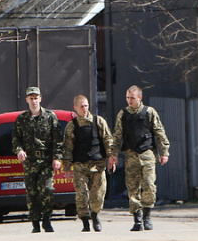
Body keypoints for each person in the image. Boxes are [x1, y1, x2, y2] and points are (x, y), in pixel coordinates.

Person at [108, 85, 170, 231]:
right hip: (131, 155)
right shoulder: (123, 114)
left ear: (140, 98)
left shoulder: (149, 112)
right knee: (133, 188)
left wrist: (164, 152)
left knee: (149, 185)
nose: (129, 101)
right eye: (128, 98)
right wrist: (113, 154)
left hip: (147, 154)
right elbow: (117, 136)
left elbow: (160, 132)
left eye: (132, 98)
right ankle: (137, 220)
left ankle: (147, 217)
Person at [12, 86, 63, 233]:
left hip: (46, 160)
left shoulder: (50, 116)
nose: (34, 101)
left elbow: (57, 140)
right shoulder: (22, 119)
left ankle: (47, 220)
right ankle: (35, 222)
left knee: (47, 189)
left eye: (36, 98)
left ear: (40, 99)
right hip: (30, 161)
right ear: (27, 100)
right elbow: (16, 139)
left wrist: (57, 157)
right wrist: (19, 150)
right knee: (32, 192)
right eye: (31, 98)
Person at [62, 95, 114, 232]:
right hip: (80, 166)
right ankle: (85, 221)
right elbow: (67, 148)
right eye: (81, 106)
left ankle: (95, 216)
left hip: (98, 165)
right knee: (81, 195)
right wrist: (67, 167)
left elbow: (108, 140)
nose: (84, 109)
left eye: (86, 105)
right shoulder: (71, 126)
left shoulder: (98, 121)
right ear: (75, 108)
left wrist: (112, 158)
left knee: (97, 195)